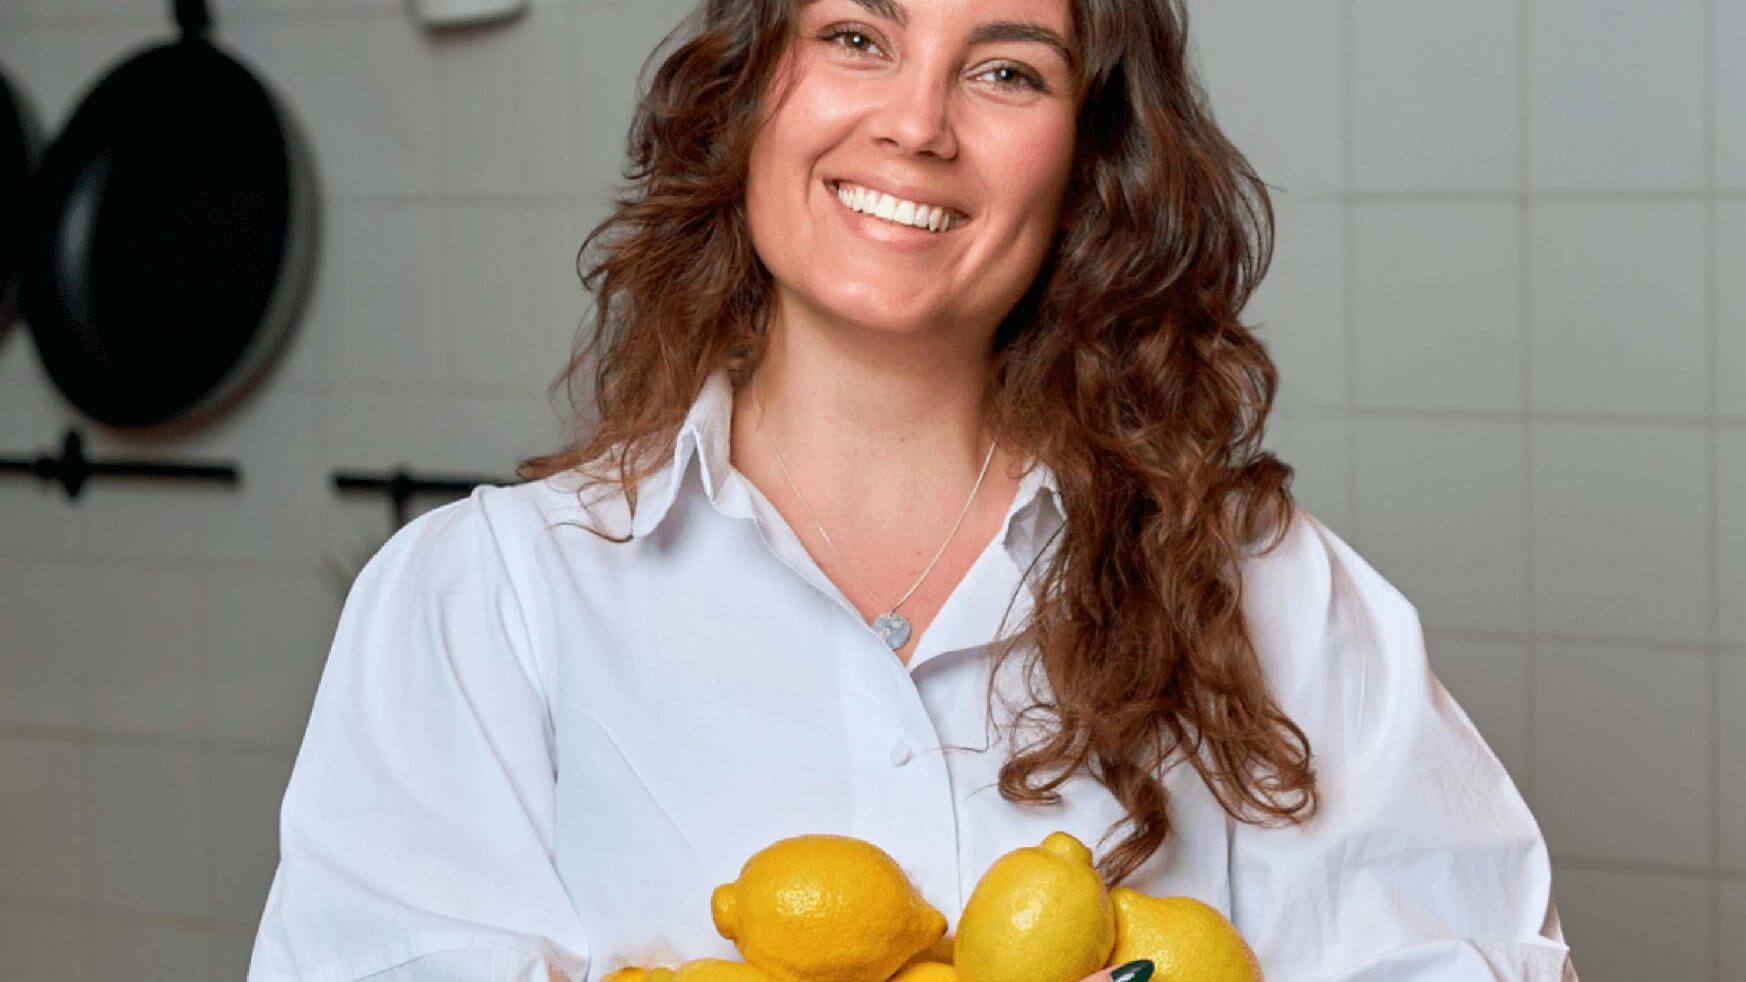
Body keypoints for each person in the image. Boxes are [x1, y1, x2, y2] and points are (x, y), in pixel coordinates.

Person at [248, 1, 1577, 979]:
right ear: (749, 86)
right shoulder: (486, 605)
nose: (917, 123)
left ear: (1085, 155)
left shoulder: (1260, 587)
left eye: (1005, 67)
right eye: (854, 37)